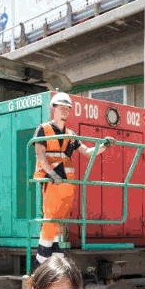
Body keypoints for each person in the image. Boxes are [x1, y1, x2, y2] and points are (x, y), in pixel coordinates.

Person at [33, 92, 114, 264]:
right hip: (53, 181)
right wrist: (52, 174)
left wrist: (103, 146)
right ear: (52, 109)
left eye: (68, 108)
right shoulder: (43, 129)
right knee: (51, 219)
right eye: (61, 107)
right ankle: (41, 259)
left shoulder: (71, 134)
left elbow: (87, 152)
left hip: (68, 183)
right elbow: (40, 155)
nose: (65, 110)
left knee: (61, 220)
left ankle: (56, 256)